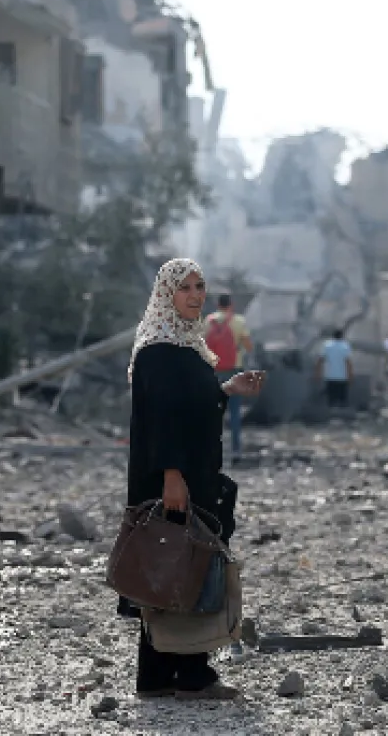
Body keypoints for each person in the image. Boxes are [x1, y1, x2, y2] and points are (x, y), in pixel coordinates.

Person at [120, 258, 265, 701]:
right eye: (185, 288)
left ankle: (161, 676)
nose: (196, 295)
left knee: (177, 565)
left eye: (201, 286)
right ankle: (191, 674)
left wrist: (226, 389)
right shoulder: (159, 349)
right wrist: (171, 476)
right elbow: (162, 420)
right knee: (179, 563)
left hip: (193, 472)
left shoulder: (188, 345)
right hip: (174, 476)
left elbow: (190, 404)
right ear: (167, 293)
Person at [204, 294, 253, 465]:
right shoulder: (239, 321)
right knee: (234, 414)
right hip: (234, 371)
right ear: (231, 305)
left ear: (217, 305)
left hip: (214, 372)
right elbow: (249, 346)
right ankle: (236, 453)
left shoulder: (208, 321)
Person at [316, 328, 353, 408]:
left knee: (331, 400)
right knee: (342, 401)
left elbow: (320, 361)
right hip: (342, 378)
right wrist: (350, 376)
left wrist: (318, 374)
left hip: (330, 377)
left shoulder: (327, 346)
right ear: (342, 336)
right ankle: (341, 417)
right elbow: (348, 363)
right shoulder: (345, 346)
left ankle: (331, 416)